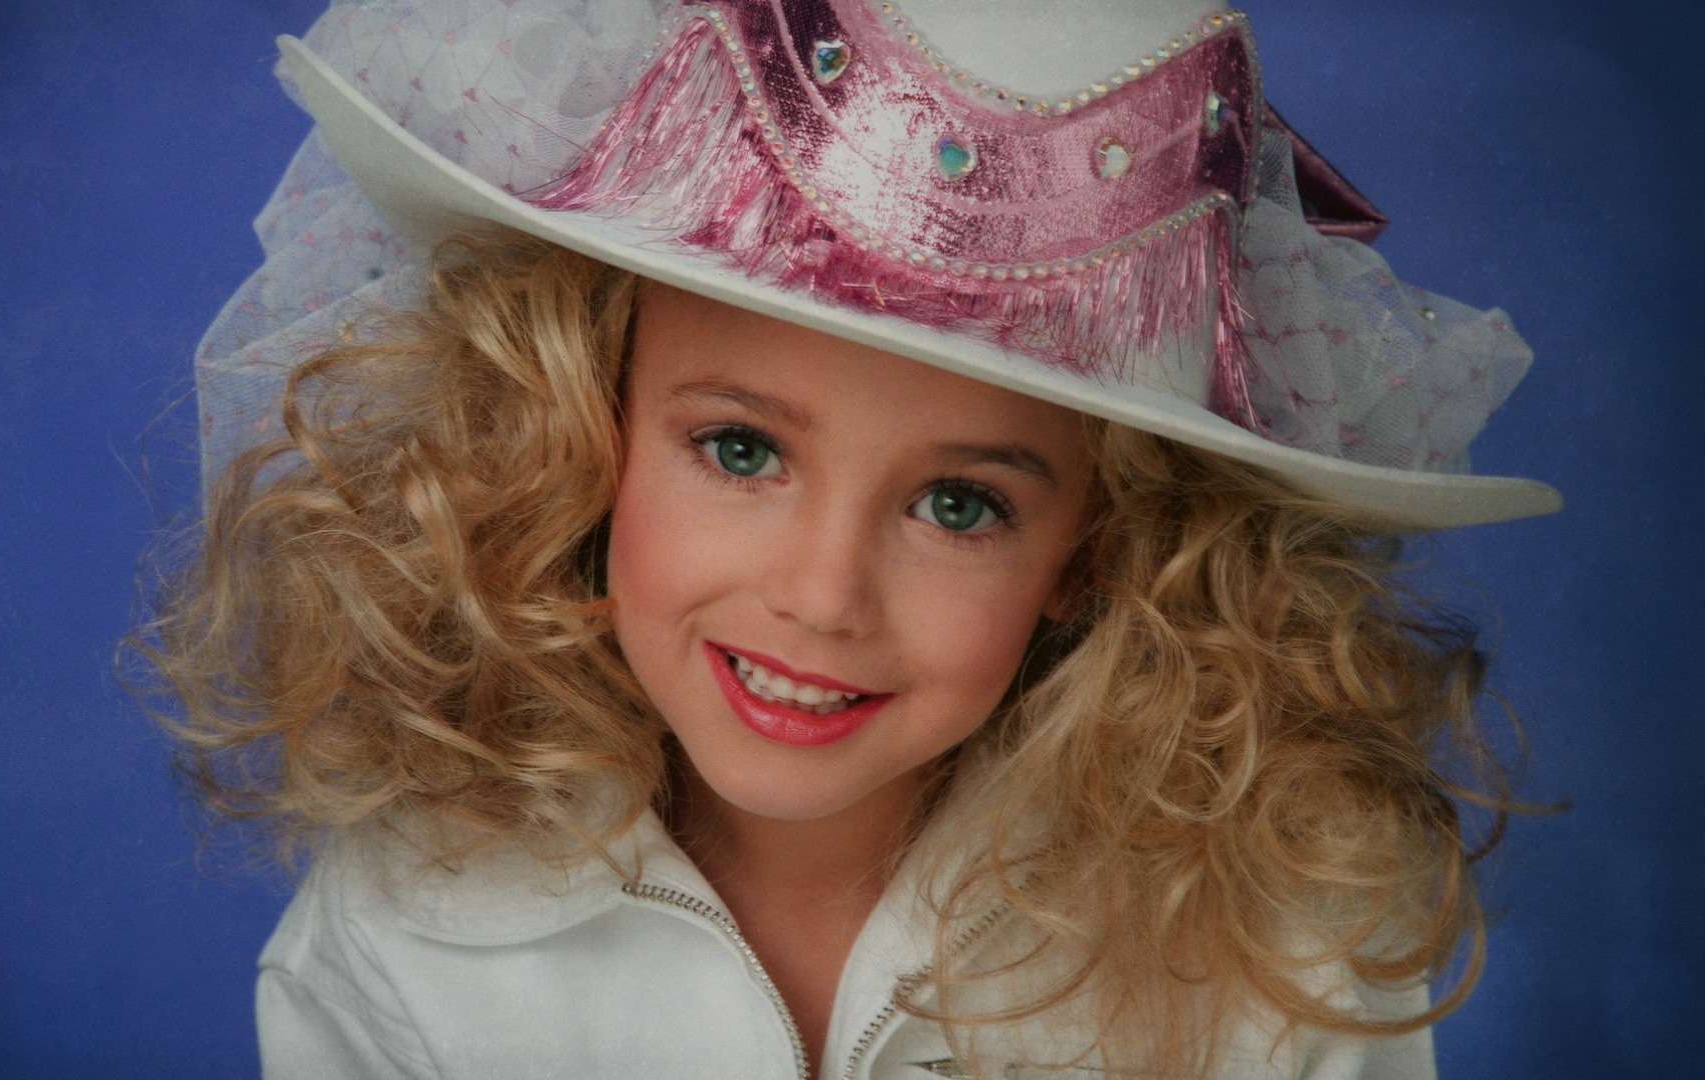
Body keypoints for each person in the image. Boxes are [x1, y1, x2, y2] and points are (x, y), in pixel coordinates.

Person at [147, 1, 1560, 1076]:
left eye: (960, 505)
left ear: (1095, 548)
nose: (824, 598)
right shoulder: (407, 936)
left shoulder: (1272, 964)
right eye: (741, 450)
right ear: (579, 431)